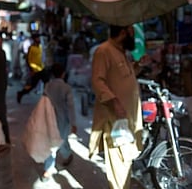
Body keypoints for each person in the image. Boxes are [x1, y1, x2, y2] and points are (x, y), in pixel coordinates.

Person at [88, 25, 143, 189]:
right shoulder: (104, 51)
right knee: (118, 161)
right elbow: (97, 81)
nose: (134, 37)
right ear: (123, 33)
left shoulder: (121, 52)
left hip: (129, 117)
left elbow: (124, 76)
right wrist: (114, 102)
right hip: (115, 118)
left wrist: (139, 65)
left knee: (125, 159)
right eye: (132, 32)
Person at [41, 63, 77, 181]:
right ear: (63, 73)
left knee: (53, 142)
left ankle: (64, 157)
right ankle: (48, 169)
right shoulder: (66, 88)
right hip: (63, 120)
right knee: (59, 141)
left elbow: (43, 102)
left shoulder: (47, 86)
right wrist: (73, 123)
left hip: (49, 118)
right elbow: (71, 107)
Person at [16, 33, 49, 104]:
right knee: (32, 86)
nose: (39, 39)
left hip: (41, 68)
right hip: (35, 70)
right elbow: (28, 60)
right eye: (37, 38)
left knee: (47, 82)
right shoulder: (31, 48)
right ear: (34, 39)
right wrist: (31, 70)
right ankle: (21, 93)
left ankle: (46, 97)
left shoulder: (39, 46)